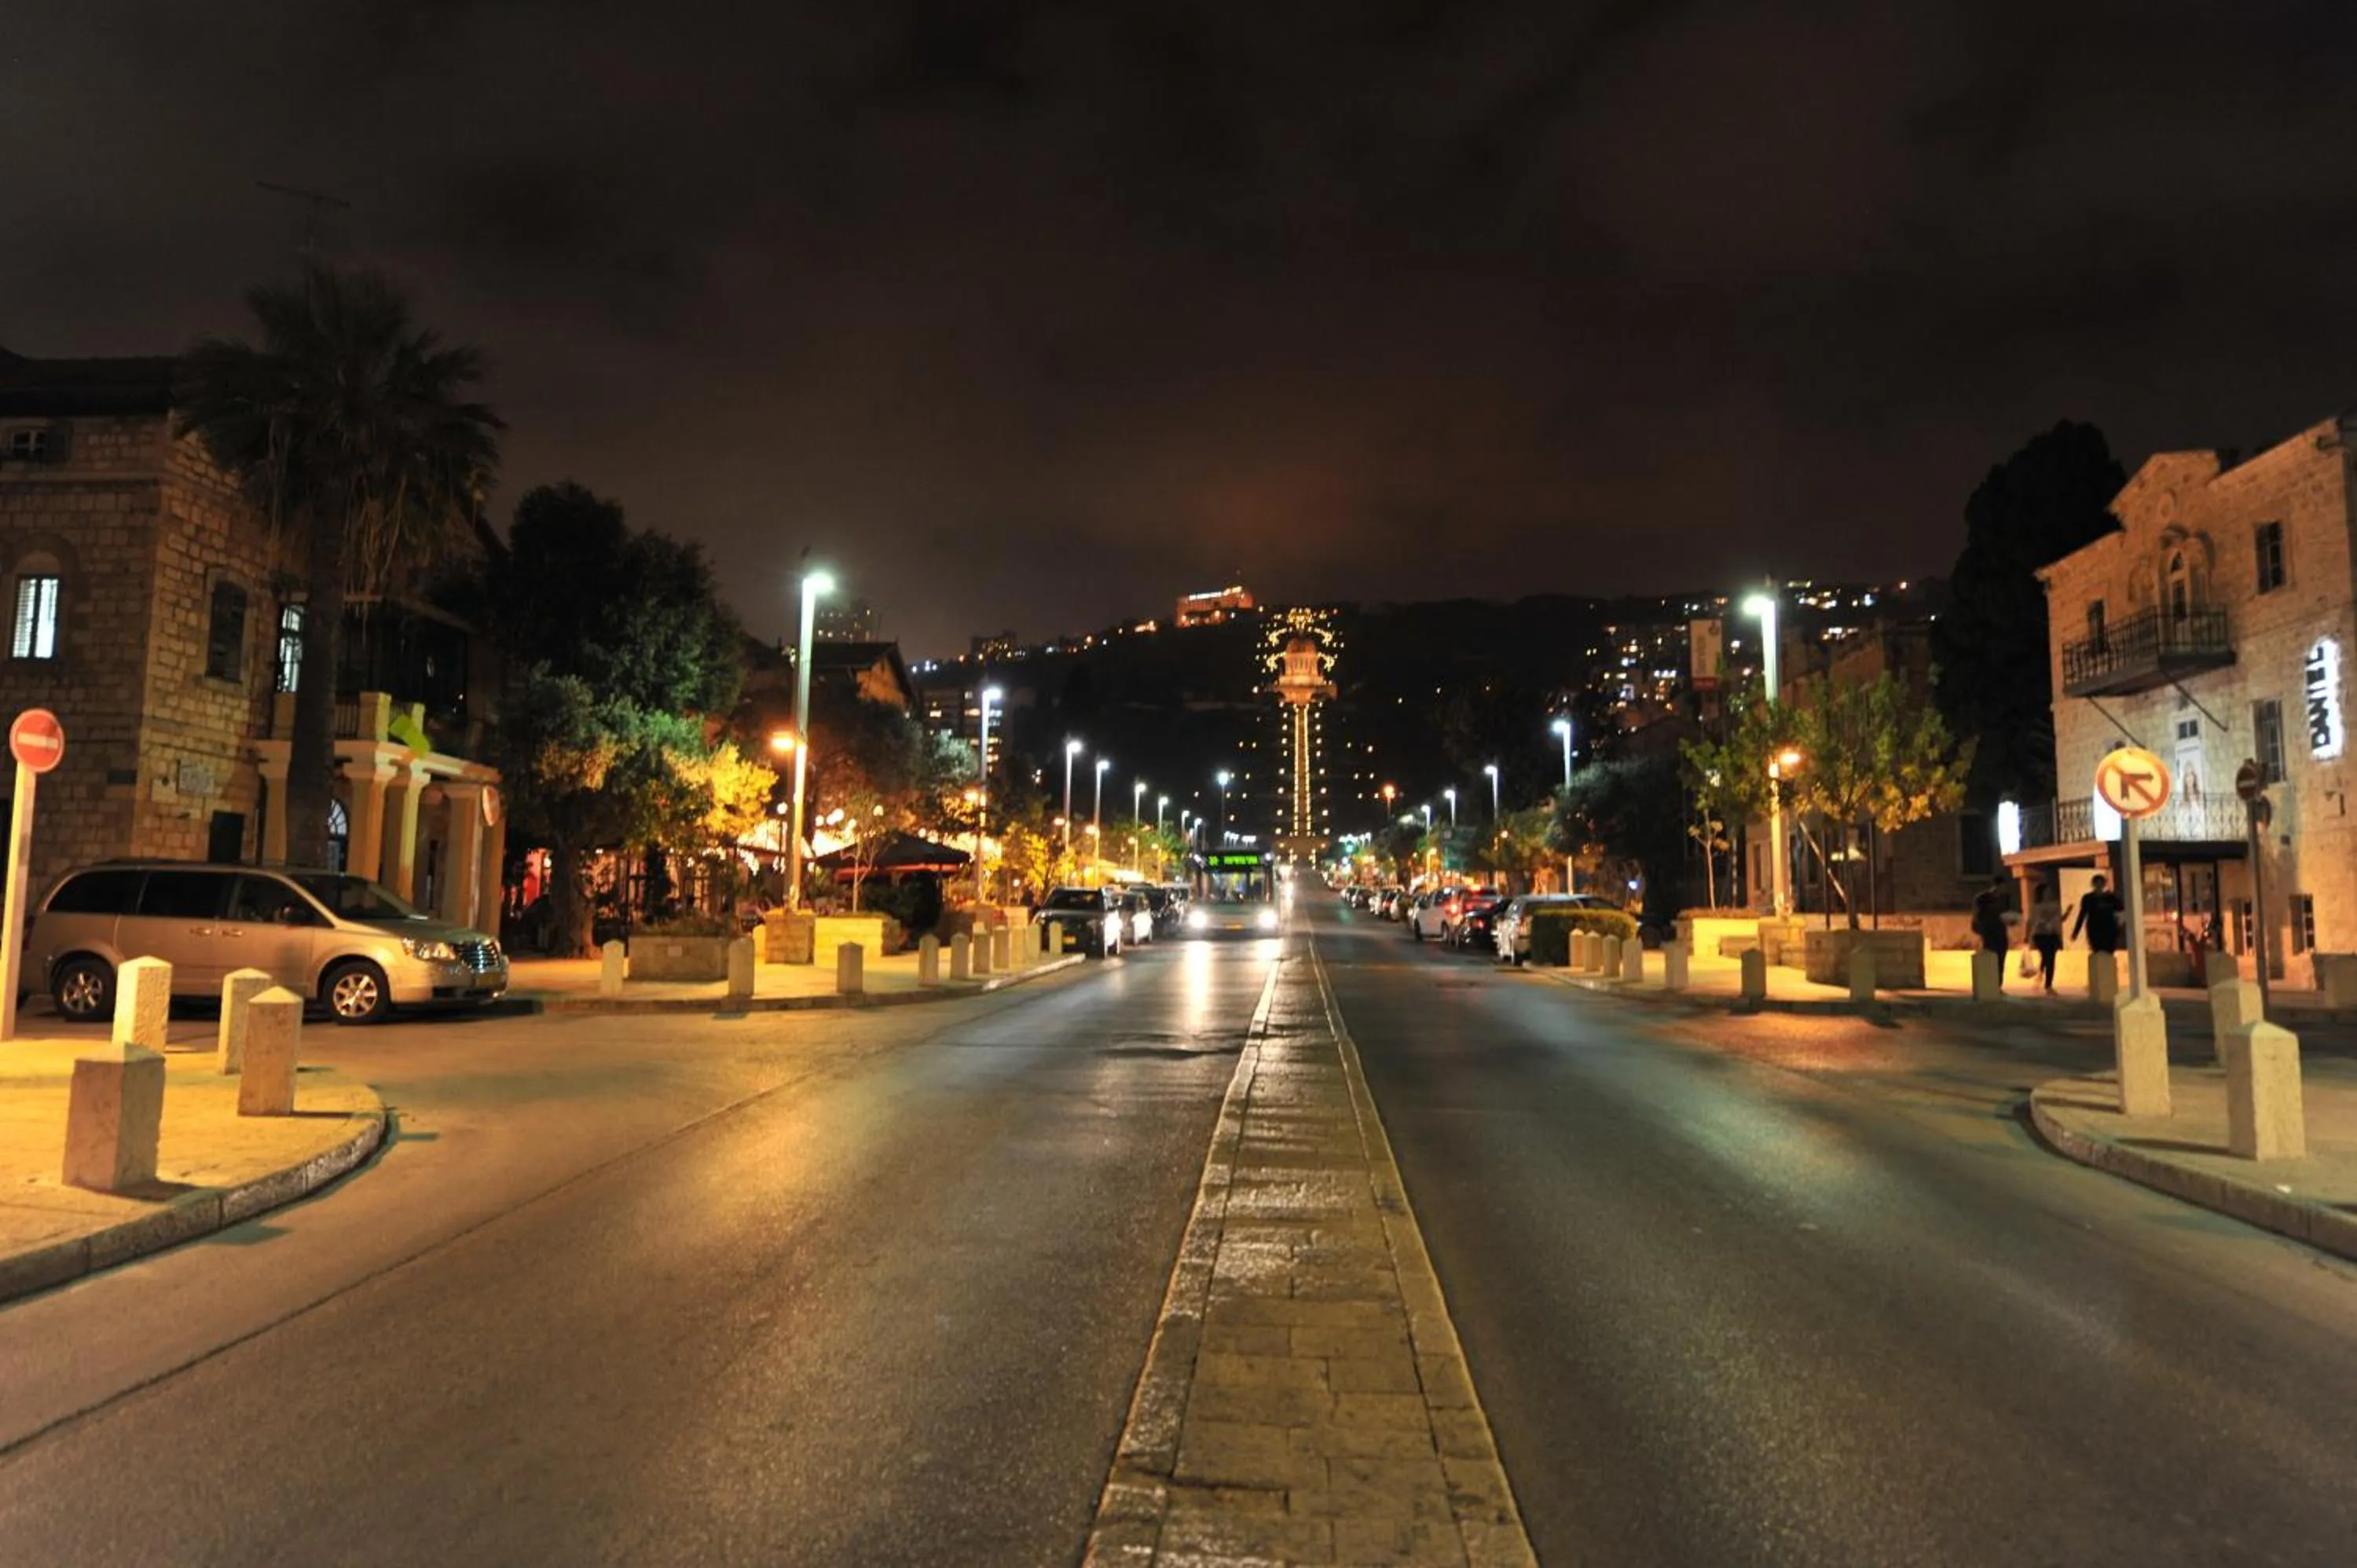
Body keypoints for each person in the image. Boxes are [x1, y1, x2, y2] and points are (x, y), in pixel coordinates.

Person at [1971, 873, 2014, 987]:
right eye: (2003, 886)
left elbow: (2007, 915)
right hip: (1989, 934)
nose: (2004, 889)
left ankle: (1998, 986)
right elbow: (1977, 916)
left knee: (2001, 961)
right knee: (1990, 960)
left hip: (2001, 933)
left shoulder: (2005, 899)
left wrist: (2011, 921)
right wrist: (1981, 931)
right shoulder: (1982, 898)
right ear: (1997, 885)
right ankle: (1990, 985)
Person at [2071, 874, 2124, 956]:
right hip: (2094, 929)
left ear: (2104, 884)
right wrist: (2076, 932)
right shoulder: (2088, 898)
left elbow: (2121, 913)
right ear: (2093, 885)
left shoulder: (2111, 898)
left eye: (2101, 883)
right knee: (2097, 952)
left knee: (2109, 952)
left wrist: (2118, 928)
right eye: (2097, 883)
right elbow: (2082, 915)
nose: (2099, 886)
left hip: (2109, 929)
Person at [2029, 883, 2066, 994]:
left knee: (2050, 958)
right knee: (2047, 956)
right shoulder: (2036, 906)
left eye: (2050, 892)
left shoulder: (2055, 905)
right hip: (2040, 935)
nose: (2049, 894)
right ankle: (2046, 982)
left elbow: (2060, 919)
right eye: (2047, 891)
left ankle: (2046, 982)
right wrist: (2027, 937)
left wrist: (2067, 913)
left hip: (2053, 935)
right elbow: (2032, 921)